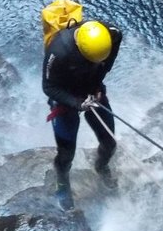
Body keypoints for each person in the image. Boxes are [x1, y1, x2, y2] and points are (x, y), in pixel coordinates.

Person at [42, 19, 123, 209]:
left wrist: (97, 86)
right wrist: (76, 103)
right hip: (65, 98)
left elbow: (106, 63)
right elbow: (48, 86)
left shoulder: (113, 35)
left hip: (92, 90)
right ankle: (62, 184)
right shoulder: (59, 50)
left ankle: (101, 167)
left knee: (109, 142)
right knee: (66, 153)